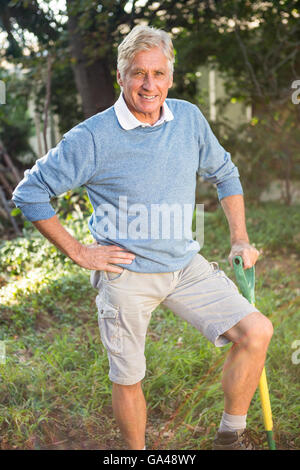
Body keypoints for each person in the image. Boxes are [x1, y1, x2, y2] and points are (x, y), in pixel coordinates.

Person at [11, 25, 273, 451]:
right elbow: (30, 192)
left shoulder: (187, 118)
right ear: (121, 76)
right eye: (138, 73)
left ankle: (229, 437)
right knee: (129, 376)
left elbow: (225, 174)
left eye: (157, 73)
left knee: (256, 332)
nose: (148, 85)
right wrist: (80, 252)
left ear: (170, 77)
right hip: (126, 274)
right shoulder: (92, 138)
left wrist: (239, 238)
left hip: (184, 265)